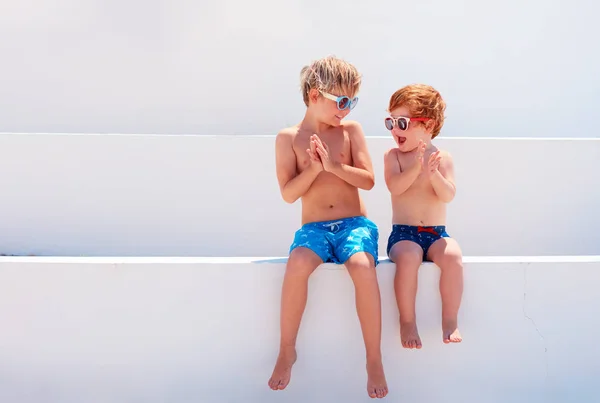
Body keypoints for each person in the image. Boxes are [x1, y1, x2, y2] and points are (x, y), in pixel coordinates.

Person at [268, 56, 388, 399]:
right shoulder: (288, 138)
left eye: (353, 102)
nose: (347, 110)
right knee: (298, 264)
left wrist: (333, 166)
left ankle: (374, 358)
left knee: (363, 265)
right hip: (315, 228)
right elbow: (289, 194)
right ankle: (286, 349)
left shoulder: (350, 132)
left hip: (354, 224)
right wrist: (314, 170)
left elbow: (367, 181)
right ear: (314, 95)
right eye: (342, 101)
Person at [383, 84, 464, 349]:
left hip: (436, 232)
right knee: (409, 257)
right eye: (391, 122)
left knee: (452, 256)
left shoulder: (442, 158)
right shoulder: (393, 156)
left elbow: (448, 194)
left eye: (402, 123)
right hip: (404, 234)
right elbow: (395, 187)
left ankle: (450, 319)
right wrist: (416, 168)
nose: (395, 130)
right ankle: (407, 321)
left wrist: (433, 174)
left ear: (427, 126)